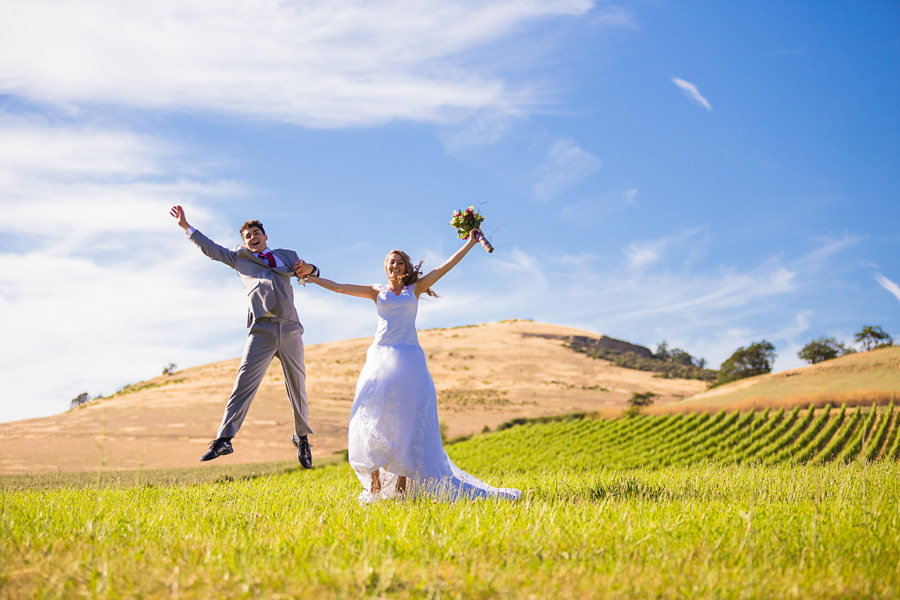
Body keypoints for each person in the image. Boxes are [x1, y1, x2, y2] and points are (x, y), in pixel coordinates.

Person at [295, 230, 520, 503]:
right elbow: (341, 287)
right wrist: (310, 276)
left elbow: (444, 267)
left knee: (406, 423)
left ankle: (401, 490)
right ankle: (375, 487)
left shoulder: (416, 289)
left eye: (400, 262)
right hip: (380, 358)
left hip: (410, 360)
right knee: (368, 416)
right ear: (385, 267)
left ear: (406, 267)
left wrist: (471, 243)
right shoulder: (376, 291)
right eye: (391, 261)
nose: (395, 265)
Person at [169, 205, 318, 468]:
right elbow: (212, 249)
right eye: (247, 235)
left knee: (297, 386)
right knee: (243, 384)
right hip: (262, 329)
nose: (252, 237)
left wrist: (310, 268)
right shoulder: (241, 259)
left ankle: (302, 438)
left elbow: (311, 274)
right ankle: (224, 438)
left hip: (291, 327)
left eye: (256, 233)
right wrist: (186, 227)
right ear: (244, 242)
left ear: (265, 236)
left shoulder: (287, 256)